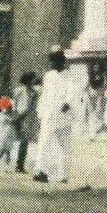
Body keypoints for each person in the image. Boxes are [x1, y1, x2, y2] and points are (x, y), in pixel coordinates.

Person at [32, 48, 74, 185]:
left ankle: (63, 175)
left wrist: (67, 102)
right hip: (49, 114)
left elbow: (73, 92)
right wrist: (41, 112)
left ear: (61, 60)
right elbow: (44, 95)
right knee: (44, 142)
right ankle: (41, 171)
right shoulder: (48, 76)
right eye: (52, 60)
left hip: (63, 115)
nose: (53, 63)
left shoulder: (69, 75)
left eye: (55, 60)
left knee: (64, 146)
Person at [11, 72, 39, 173]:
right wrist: (14, 115)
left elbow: (33, 106)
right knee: (16, 140)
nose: (33, 82)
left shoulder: (34, 93)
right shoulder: (19, 90)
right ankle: (15, 164)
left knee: (24, 141)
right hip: (19, 116)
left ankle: (20, 165)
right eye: (32, 80)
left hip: (28, 118)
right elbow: (14, 103)